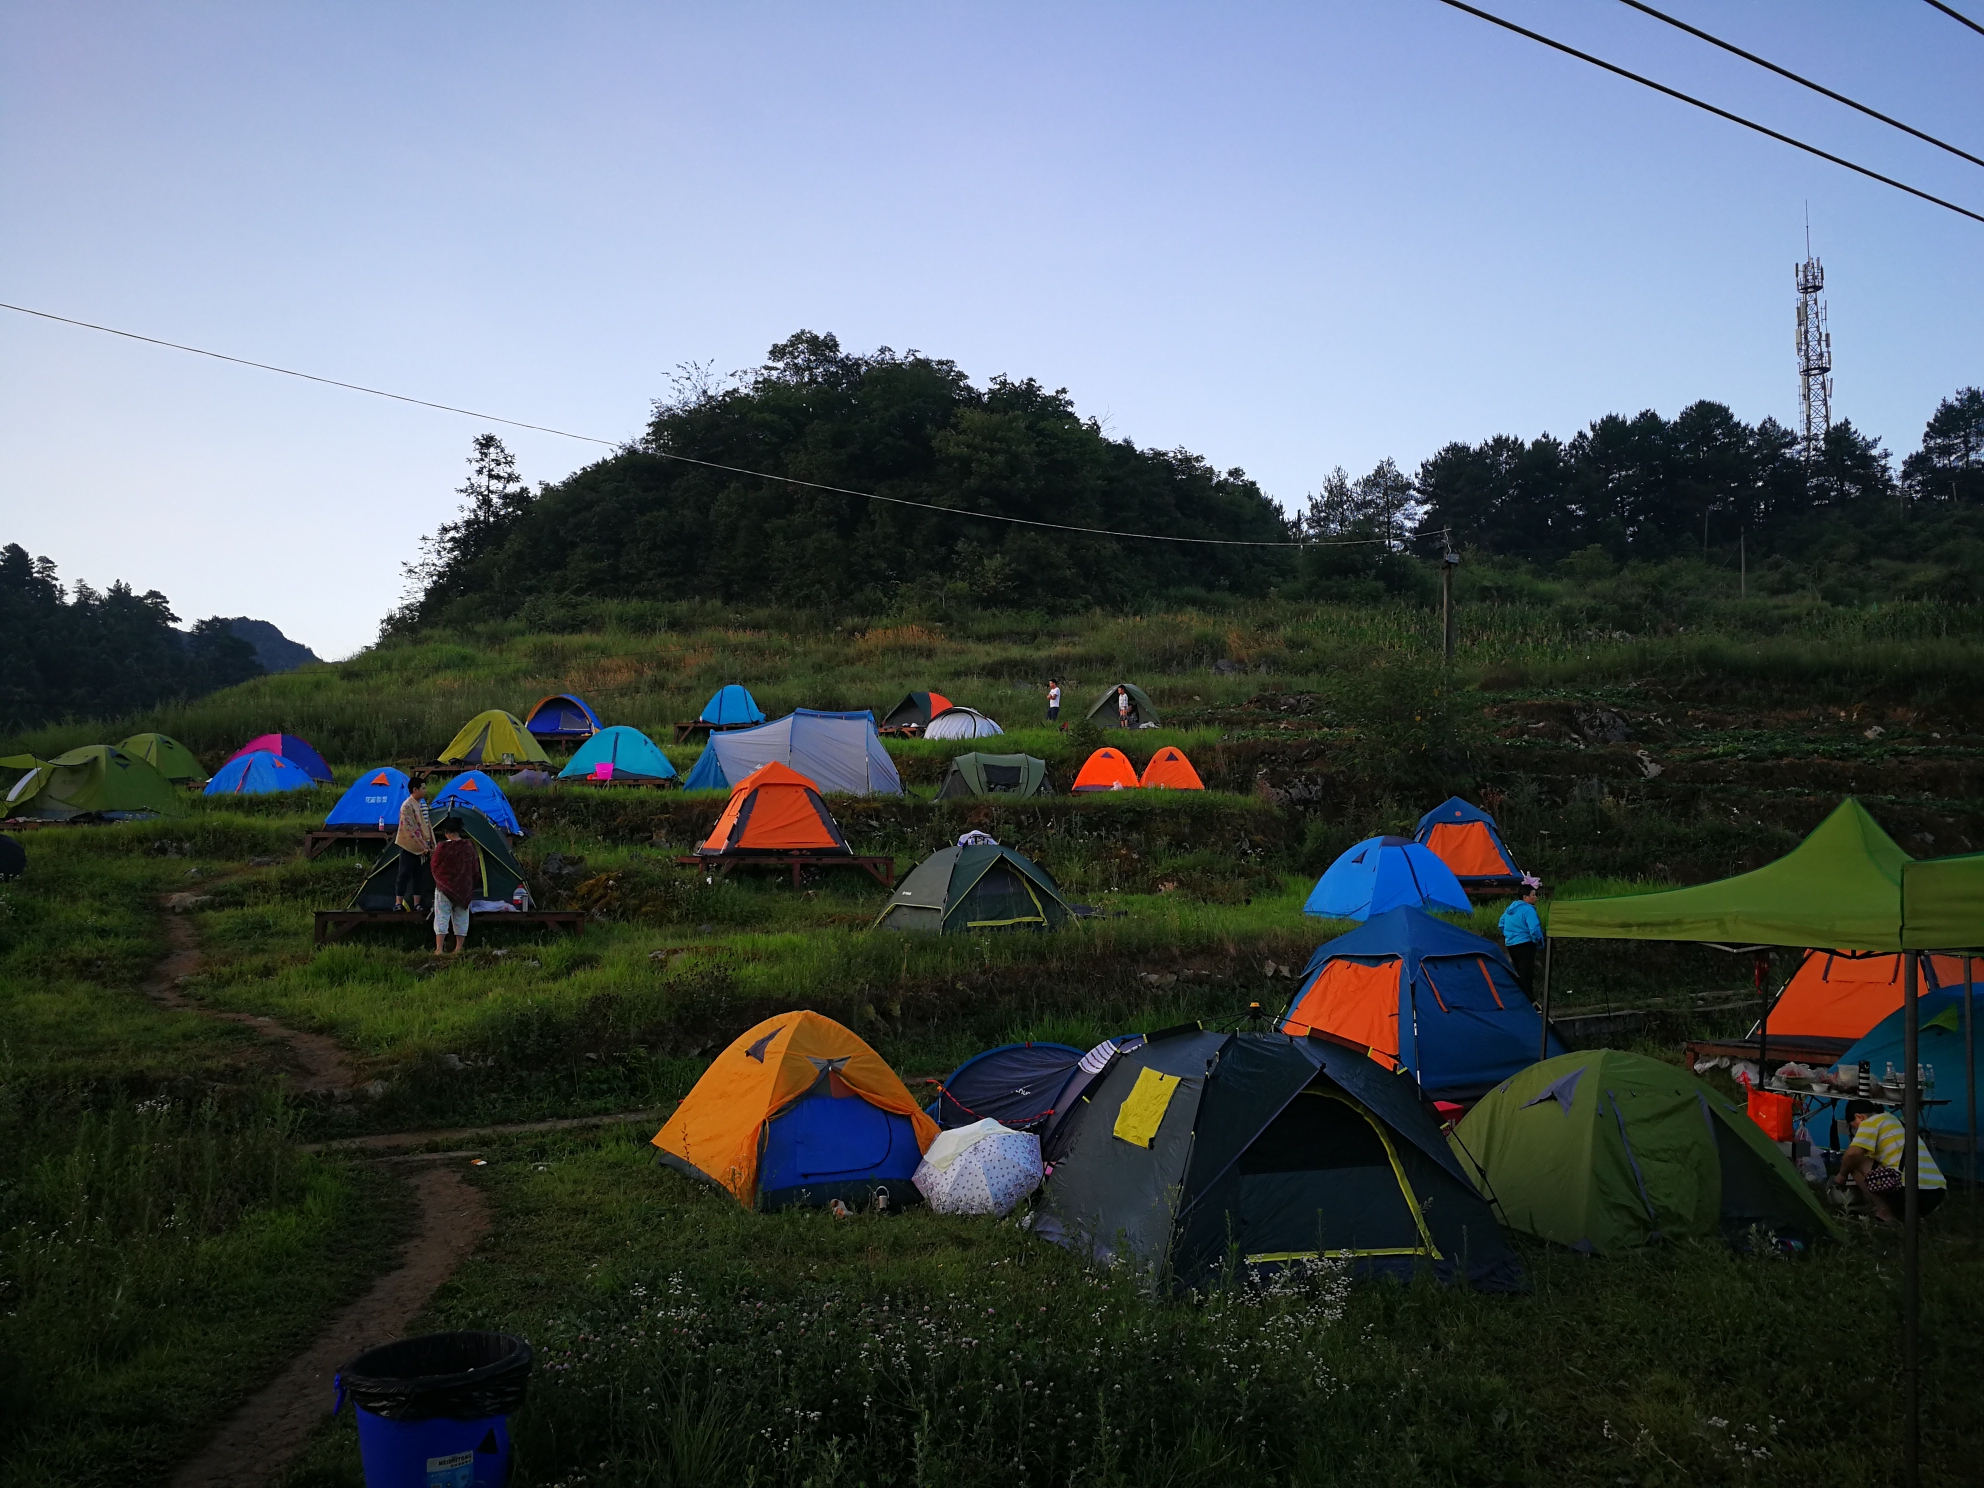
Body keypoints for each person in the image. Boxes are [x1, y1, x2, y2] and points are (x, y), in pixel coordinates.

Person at [1835, 1099, 1947, 1221]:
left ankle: (1884, 1212)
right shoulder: (1895, 1121)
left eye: (1855, 1127)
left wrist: (1842, 1175)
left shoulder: (1871, 1122)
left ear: (1859, 1117)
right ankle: (1903, 1214)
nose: (1857, 1131)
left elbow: (1852, 1154)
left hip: (1911, 1192)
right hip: (1936, 1193)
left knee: (1854, 1162)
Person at [429, 821, 480, 956]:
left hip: (444, 888)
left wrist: (443, 881)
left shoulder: (441, 848)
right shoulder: (469, 846)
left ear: (447, 833)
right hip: (464, 888)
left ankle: (439, 948)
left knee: (441, 916)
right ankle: (458, 948)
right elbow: (474, 867)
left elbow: (434, 866)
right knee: (462, 918)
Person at [393, 775, 434, 913]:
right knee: (404, 874)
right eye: (423, 788)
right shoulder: (407, 806)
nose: (425, 791)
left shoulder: (422, 804)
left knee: (419, 875)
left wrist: (430, 843)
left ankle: (417, 903)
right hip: (409, 845)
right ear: (415, 789)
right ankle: (398, 903)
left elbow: (427, 824)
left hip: (423, 846)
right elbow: (409, 828)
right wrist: (423, 845)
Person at [1498, 878, 1544, 994]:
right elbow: (1534, 929)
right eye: (1533, 895)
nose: (1536, 897)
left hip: (1511, 945)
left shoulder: (1510, 909)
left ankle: (1522, 998)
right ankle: (1529, 1000)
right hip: (1525, 944)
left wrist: (1509, 935)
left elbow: (1501, 923)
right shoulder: (1529, 910)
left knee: (1518, 973)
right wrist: (1536, 940)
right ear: (1525, 897)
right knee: (1527, 974)